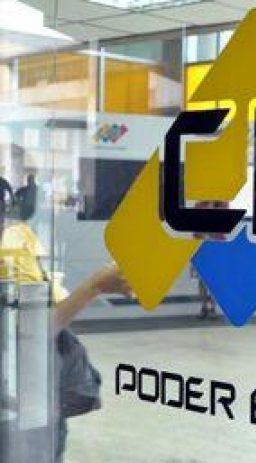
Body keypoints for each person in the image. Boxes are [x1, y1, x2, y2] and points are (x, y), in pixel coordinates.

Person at [0, 144, 132, 461]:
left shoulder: (20, 236)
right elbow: (30, 334)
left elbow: (41, 311)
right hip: (20, 396)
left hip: (35, 390)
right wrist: (94, 286)